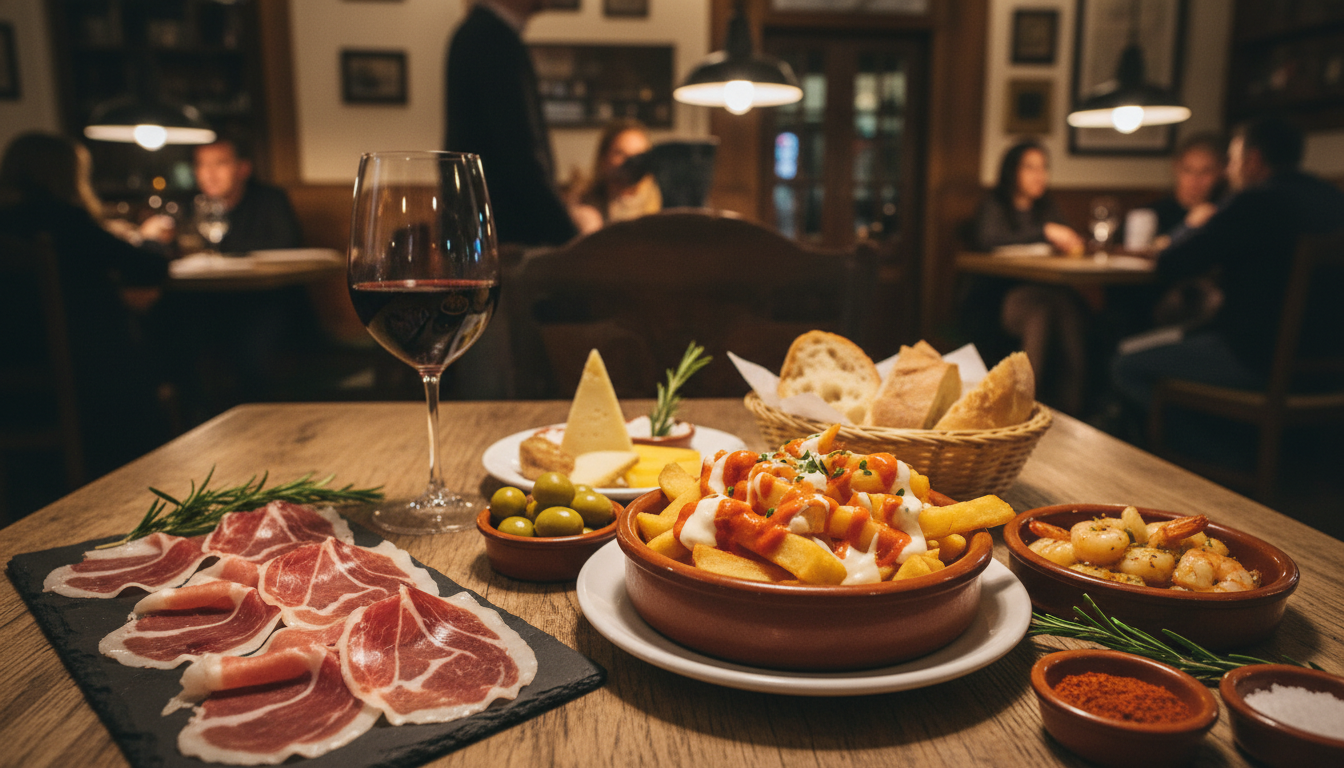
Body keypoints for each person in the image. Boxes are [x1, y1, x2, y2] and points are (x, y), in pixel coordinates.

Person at [1112, 116, 1344, 414]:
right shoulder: (1334, 199)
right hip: (1331, 367)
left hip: (1256, 360)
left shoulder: (1253, 202)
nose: (1229, 172)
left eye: (1232, 161)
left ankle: (1202, 455)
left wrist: (1192, 226)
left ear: (1253, 160)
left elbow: (1173, 262)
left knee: (1125, 365)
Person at [0, 132, 172, 475]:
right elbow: (149, 267)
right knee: (161, 330)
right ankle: (152, 468)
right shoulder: (64, 219)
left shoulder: (10, 222)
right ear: (67, 175)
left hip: (15, 376)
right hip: (87, 378)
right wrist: (149, 240)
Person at [965, 140, 1089, 413]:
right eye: (1030, 167)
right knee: (1041, 310)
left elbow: (1072, 241)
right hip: (999, 297)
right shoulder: (994, 206)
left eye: (1043, 168)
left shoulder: (1048, 208)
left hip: (1048, 290)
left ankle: (1073, 407)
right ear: (1013, 171)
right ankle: (1025, 406)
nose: (1039, 175)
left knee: (1069, 308)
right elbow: (988, 241)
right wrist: (1044, 233)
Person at [445, 0, 577, 246]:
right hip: (507, 242)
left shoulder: (482, 33)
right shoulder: (492, 38)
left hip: (491, 236)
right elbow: (519, 154)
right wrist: (571, 241)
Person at [192, 137, 303, 253]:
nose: (209, 174)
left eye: (220, 163)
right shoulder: (194, 205)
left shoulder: (271, 199)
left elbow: (288, 243)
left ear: (243, 168)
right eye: (202, 164)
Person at [569, 119, 662, 235]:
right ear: (603, 158)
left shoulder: (662, 205)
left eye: (639, 155)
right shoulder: (586, 204)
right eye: (620, 153)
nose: (631, 162)